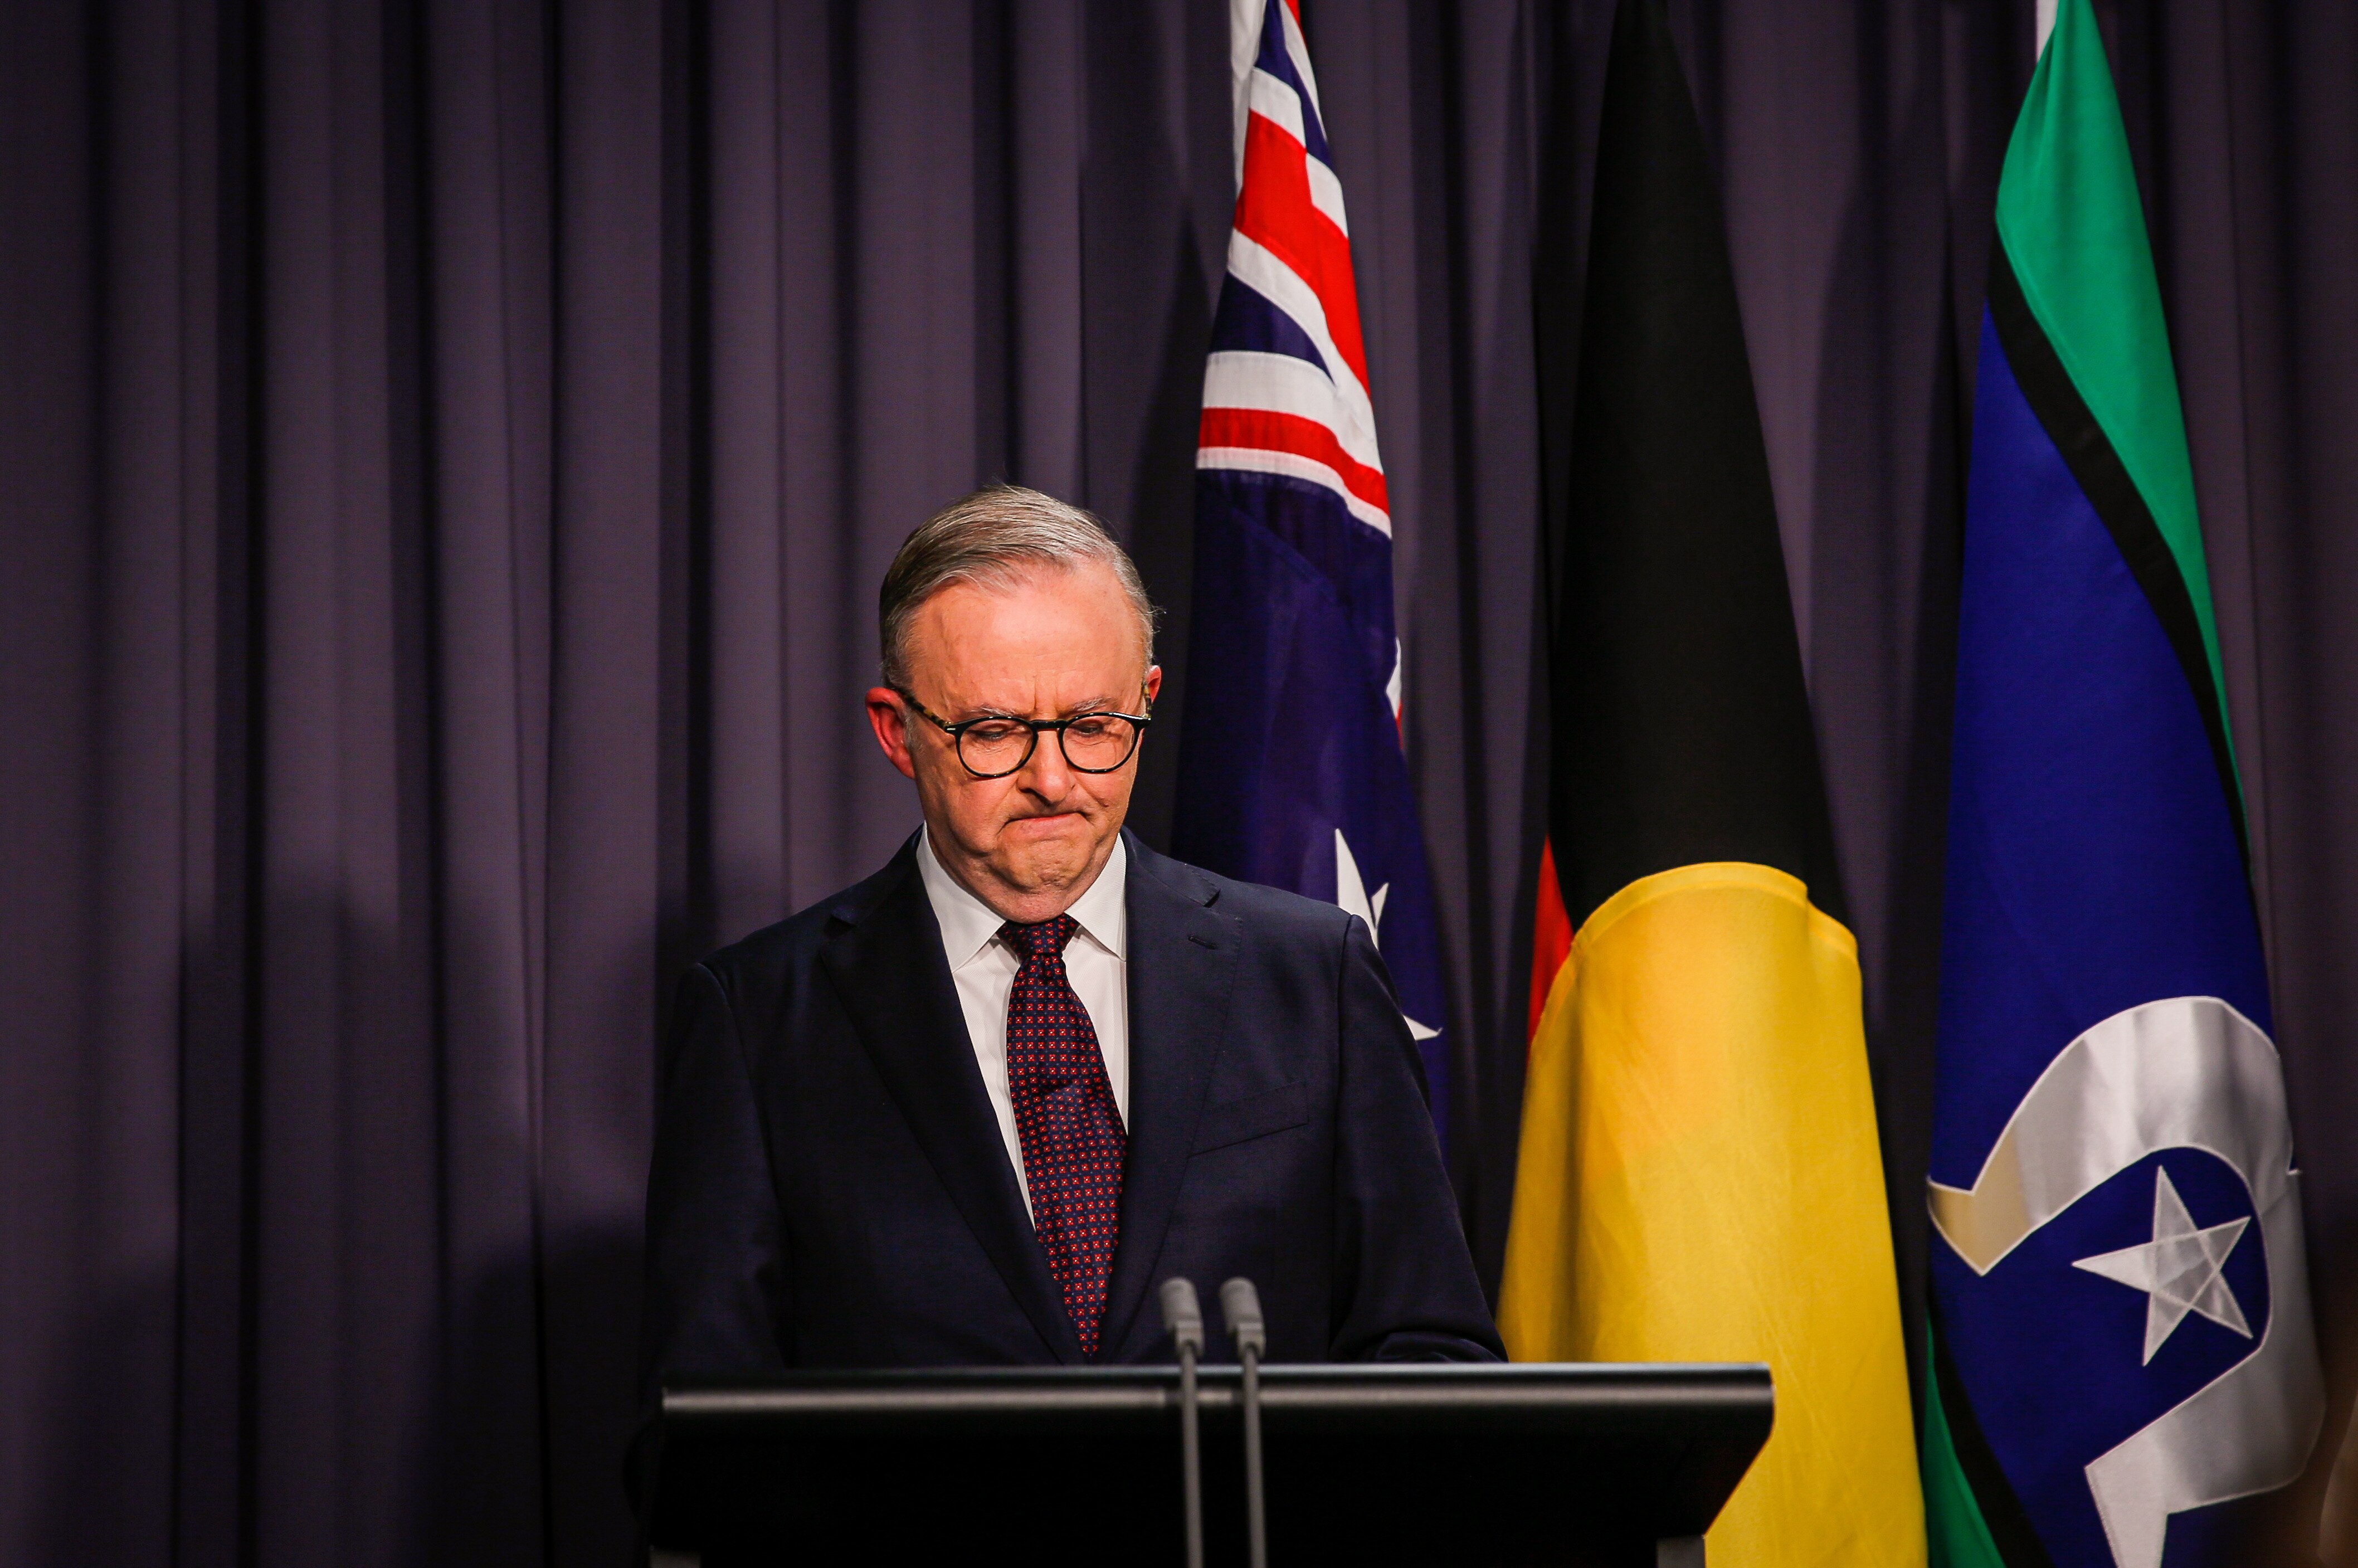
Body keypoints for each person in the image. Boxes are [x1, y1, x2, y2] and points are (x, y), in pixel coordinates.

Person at [639, 484, 1499, 1383]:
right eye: (994, 731)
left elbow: (1432, 1352)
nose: (1054, 779)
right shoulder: (760, 1021)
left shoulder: (1311, 977)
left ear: (1147, 698)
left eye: (1094, 726)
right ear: (897, 731)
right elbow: (704, 1429)